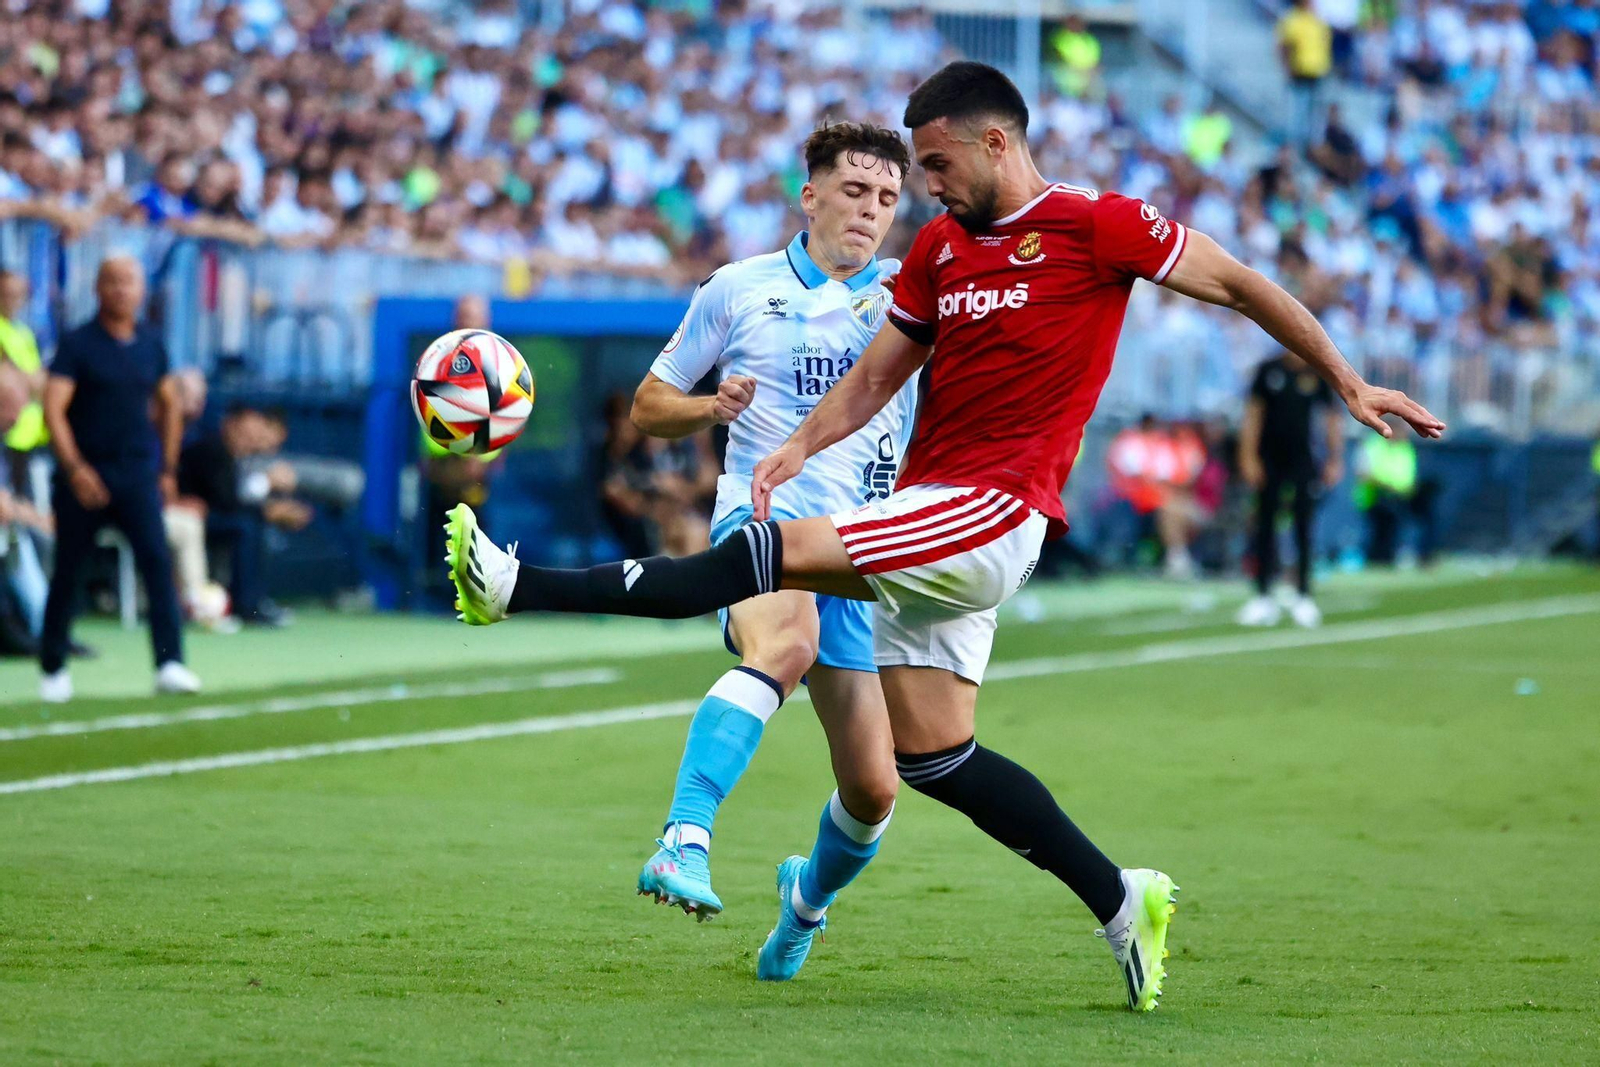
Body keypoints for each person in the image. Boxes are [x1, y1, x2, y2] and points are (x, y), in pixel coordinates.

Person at [445, 62, 1443, 1011]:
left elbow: (1235, 284)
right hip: (925, 515)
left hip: (997, 506)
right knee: (926, 756)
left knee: (763, 557)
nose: (918, 190)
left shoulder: (1097, 227)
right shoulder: (935, 254)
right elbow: (877, 375)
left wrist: (1344, 377)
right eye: (904, 174)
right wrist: (797, 443)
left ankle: (515, 586)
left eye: (932, 167)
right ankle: (1118, 898)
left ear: (995, 143)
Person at [621, 120, 914, 980]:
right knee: (787, 642)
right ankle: (683, 837)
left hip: (862, 558)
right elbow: (648, 403)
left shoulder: (911, 293)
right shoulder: (737, 288)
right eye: (855, 192)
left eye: (888, 199)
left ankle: (803, 904)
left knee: (874, 790)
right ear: (810, 193)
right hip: (758, 529)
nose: (870, 212)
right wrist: (712, 407)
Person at [39, 255, 201, 701]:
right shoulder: (77, 344)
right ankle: (53, 666)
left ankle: (170, 663)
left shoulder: (151, 344)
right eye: (111, 281)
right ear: (98, 289)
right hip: (85, 474)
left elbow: (170, 404)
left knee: (156, 561)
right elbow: (54, 407)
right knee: (69, 569)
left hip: (136, 473)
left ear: (141, 289)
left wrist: (166, 468)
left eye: (128, 282)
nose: (120, 290)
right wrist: (74, 468)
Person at [1236, 350, 1344, 628]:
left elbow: (1332, 417)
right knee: (1265, 525)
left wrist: (1334, 458)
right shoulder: (1268, 369)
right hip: (1269, 459)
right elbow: (1253, 413)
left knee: (1303, 526)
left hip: (1304, 460)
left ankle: (1304, 595)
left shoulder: (1316, 371)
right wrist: (1248, 456)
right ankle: (1262, 596)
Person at [1277, 0, 1332, 147]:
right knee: (1297, 114)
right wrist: (1288, 68)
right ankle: (1296, 145)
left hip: (1317, 72)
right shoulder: (1291, 19)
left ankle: (1313, 145)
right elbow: (1284, 46)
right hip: (1299, 73)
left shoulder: (1317, 19)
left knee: (1315, 114)